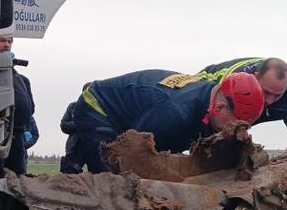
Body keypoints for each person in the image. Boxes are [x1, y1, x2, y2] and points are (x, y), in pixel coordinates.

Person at [71, 71, 264, 173]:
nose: (234, 131)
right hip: (98, 107)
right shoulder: (175, 113)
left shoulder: (211, 97)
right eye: (233, 124)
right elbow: (133, 149)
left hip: (141, 113)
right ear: (220, 107)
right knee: (115, 179)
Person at [198, 58, 287, 149]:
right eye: (266, 92)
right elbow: (217, 124)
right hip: (203, 87)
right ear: (256, 77)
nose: (270, 100)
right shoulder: (235, 84)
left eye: (277, 95)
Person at [0, 33, 35, 176]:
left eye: (9, 41)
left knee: (18, 175)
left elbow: (30, 106)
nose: (7, 44)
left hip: (18, 133)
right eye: (2, 40)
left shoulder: (20, 78)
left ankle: (13, 199)